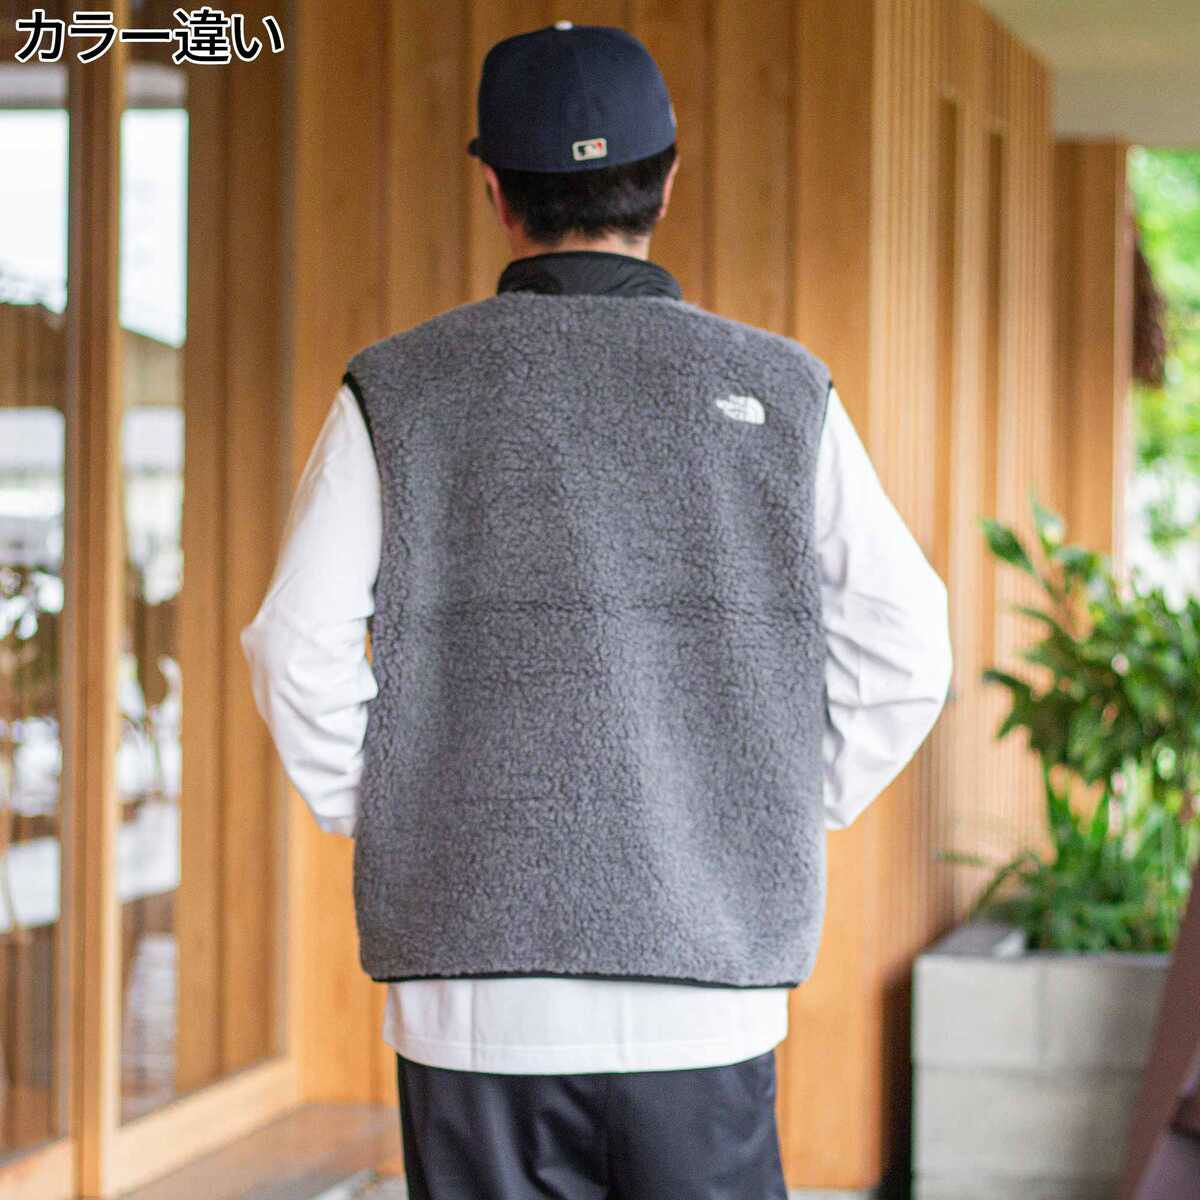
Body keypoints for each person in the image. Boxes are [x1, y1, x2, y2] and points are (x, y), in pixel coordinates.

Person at [241, 21, 953, 1200]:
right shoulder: (782, 387)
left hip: (473, 995)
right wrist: (762, 808)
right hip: (706, 986)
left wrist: (405, 814)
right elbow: (908, 647)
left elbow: (294, 647)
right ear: (668, 181)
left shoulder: (399, 388)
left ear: (493, 190)